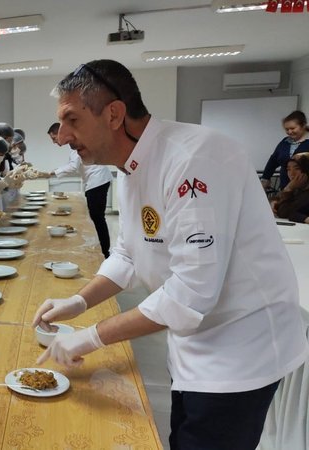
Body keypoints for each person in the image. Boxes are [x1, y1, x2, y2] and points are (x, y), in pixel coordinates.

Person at [33, 60, 308, 450]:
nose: (63, 136)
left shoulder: (194, 159)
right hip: (195, 340)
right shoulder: (129, 165)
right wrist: (78, 302)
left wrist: (91, 338)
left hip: (240, 347)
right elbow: (128, 254)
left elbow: (191, 292)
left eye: (72, 120)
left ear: (113, 114)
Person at [42, 122, 113, 258]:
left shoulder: (76, 142)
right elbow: (74, 164)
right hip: (96, 181)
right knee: (97, 217)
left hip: (97, 181)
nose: (54, 142)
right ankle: (102, 249)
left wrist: (52, 173)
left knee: (98, 218)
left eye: (54, 138)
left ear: (61, 133)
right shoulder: (73, 143)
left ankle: (104, 252)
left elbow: (73, 166)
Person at [261, 110, 309, 190]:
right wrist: (265, 178)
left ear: (303, 126)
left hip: (305, 190)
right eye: (287, 129)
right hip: (285, 187)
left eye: (292, 128)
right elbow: (273, 161)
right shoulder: (285, 142)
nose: (289, 132)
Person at [271, 156, 309, 223]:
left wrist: (288, 189)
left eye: (297, 168)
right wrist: (274, 201)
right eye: (288, 169)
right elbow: (276, 198)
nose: (292, 174)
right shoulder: (297, 188)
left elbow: (284, 212)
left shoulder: (301, 191)